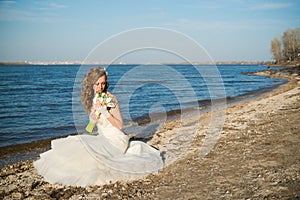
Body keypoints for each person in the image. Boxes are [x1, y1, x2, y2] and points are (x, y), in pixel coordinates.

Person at [34, 67, 164, 187]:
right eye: (97, 84)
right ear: (92, 84)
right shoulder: (94, 99)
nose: (101, 87)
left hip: (116, 140)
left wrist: (105, 111)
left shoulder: (111, 98)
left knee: (92, 156)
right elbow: (90, 128)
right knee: (78, 143)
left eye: (103, 83)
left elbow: (119, 125)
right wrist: (93, 117)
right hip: (102, 137)